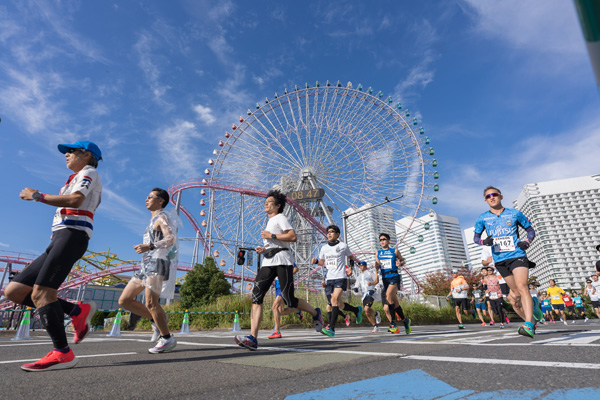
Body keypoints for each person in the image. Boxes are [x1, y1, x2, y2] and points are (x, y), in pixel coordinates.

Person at [5, 141, 102, 371]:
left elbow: (75, 201)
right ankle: (76, 310)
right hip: (60, 237)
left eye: (71, 151)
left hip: (73, 236)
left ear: (86, 155)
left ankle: (62, 353)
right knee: (15, 291)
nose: (66, 155)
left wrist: (37, 196)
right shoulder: (72, 179)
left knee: (41, 293)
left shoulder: (89, 173)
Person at [235, 190, 324, 350]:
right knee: (256, 296)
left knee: (289, 299)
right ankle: (253, 338)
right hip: (268, 261)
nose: (266, 203)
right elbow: (273, 242)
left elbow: (292, 236)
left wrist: (272, 236)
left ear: (278, 205)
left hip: (283, 261)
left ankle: (315, 313)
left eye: (270, 202)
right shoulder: (269, 222)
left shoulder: (280, 218)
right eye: (266, 201)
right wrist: (264, 249)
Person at [473, 186, 541, 338]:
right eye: (488, 196)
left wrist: (527, 241)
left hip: (517, 255)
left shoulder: (514, 213)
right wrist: (485, 242)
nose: (491, 197)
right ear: (485, 200)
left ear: (501, 196)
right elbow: (476, 238)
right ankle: (532, 318)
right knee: (514, 297)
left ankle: (528, 325)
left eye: (494, 194)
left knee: (522, 286)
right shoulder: (483, 218)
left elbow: (530, 230)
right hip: (500, 260)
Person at [118, 188, 180, 354]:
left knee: (151, 303)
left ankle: (167, 338)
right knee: (124, 300)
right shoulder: (152, 221)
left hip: (157, 263)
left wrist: (150, 246)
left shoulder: (162, 217)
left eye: (150, 197)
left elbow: (170, 238)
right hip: (145, 264)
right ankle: (156, 319)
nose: (146, 199)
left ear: (160, 201)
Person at [312, 225, 362, 337]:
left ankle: (331, 328)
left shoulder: (343, 246)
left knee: (334, 300)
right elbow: (321, 263)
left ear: (337, 234)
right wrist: (316, 261)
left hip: (340, 277)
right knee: (337, 304)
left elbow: (351, 258)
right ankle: (356, 310)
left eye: (332, 232)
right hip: (329, 278)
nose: (329, 234)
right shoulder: (324, 248)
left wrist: (350, 268)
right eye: (328, 232)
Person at [375, 233, 411, 335]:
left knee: (388, 295)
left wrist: (400, 263)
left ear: (389, 240)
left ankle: (393, 323)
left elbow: (403, 260)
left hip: (394, 276)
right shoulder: (378, 253)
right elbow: (377, 265)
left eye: (384, 239)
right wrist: (376, 266)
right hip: (384, 278)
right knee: (394, 303)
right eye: (380, 239)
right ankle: (405, 321)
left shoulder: (394, 251)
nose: (382, 241)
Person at [269, 269, 303, 339]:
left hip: (283, 285)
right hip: (277, 286)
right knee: (280, 311)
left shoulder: (287, 258)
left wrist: (286, 276)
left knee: (274, 307)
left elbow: (296, 269)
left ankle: (277, 331)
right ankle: (297, 310)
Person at [354, 261, 382, 333]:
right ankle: (375, 320)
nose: (360, 267)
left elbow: (377, 281)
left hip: (370, 293)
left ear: (365, 266)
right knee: (367, 312)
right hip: (364, 295)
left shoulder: (370, 273)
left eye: (362, 265)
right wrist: (356, 288)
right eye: (359, 265)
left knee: (366, 309)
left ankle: (376, 325)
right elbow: (357, 284)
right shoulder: (359, 276)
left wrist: (374, 289)